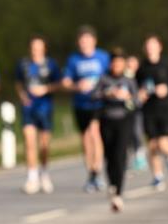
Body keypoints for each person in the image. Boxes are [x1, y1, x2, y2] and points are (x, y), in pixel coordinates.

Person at [62, 25, 111, 192]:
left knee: (94, 133)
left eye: (87, 41)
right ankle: (92, 174)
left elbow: (112, 76)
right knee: (85, 139)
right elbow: (66, 82)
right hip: (80, 104)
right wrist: (77, 86)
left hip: (98, 104)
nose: (84, 44)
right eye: (82, 41)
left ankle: (98, 170)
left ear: (94, 41)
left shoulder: (103, 57)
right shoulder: (73, 59)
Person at [93, 48, 139, 212]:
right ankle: (112, 184)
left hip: (124, 120)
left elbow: (137, 102)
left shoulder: (129, 81)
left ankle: (118, 192)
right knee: (109, 155)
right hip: (106, 120)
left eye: (120, 63)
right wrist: (108, 93)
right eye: (114, 63)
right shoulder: (104, 78)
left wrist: (127, 97)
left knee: (120, 155)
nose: (117, 66)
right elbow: (94, 95)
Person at [136, 35, 168, 190]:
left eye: (153, 46)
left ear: (159, 47)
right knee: (152, 144)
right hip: (148, 110)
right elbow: (136, 86)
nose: (150, 49)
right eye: (147, 46)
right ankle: (157, 176)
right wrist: (141, 93)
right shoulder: (142, 68)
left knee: (162, 141)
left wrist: (167, 89)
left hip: (165, 108)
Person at [15, 36, 61, 194]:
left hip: (45, 108)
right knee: (29, 142)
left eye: (39, 48)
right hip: (28, 108)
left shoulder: (51, 64)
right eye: (33, 48)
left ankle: (44, 173)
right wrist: (22, 95)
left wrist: (46, 89)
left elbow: (59, 83)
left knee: (44, 145)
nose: (36, 51)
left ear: (44, 49)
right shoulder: (23, 64)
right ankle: (32, 177)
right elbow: (18, 83)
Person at [125, 55, 148, 172]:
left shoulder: (141, 76)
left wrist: (141, 95)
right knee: (127, 135)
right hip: (125, 110)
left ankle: (140, 156)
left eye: (133, 64)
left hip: (138, 109)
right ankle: (128, 159)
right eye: (129, 63)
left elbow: (145, 91)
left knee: (137, 133)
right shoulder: (123, 77)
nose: (131, 66)